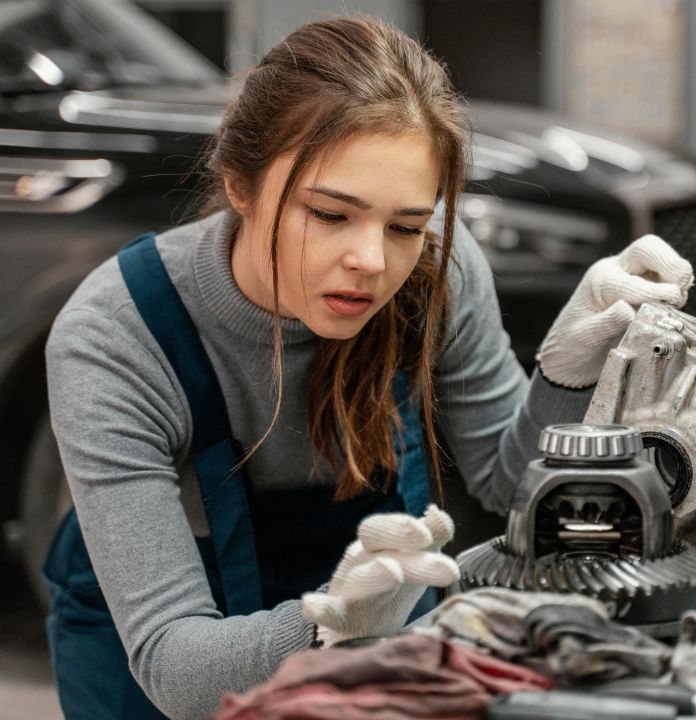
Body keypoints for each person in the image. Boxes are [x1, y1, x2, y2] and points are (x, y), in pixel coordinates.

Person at [42, 14, 693, 720]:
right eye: (330, 215)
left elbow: (513, 491)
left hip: (380, 647)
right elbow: (175, 666)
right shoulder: (116, 337)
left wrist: (566, 375)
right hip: (161, 677)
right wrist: (332, 626)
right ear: (239, 183)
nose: (373, 262)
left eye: (407, 226)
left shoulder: (437, 271)